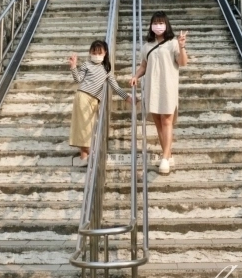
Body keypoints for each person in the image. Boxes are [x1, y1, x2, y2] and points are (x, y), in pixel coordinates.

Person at [131, 12, 188, 175]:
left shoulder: (173, 43)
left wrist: (182, 45)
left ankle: (164, 158)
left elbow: (183, 62)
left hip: (168, 86)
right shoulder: (147, 45)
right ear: (151, 25)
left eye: (161, 22)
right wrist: (135, 76)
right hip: (152, 86)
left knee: (167, 120)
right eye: (155, 22)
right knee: (157, 120)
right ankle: (168, 154)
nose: (158, 25)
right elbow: (144, 65)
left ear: (166, 24)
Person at [68, 40, 129, 167]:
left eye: (99, 52)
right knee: (84, 126)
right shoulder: (86, 64)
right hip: (83, 96)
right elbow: (78, 79)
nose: (96, 55)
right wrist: (73, 66)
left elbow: (116, 87)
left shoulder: (106, 70)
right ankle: (84, 156)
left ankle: (86, 155)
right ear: (90, 53)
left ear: (105, 53)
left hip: (95, 100)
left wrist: (127, 98)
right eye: (94, 52)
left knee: (89, 127)